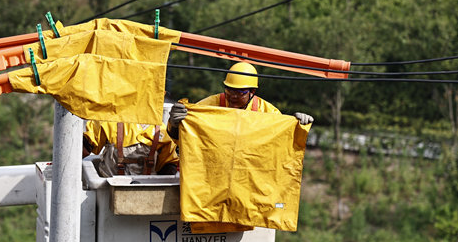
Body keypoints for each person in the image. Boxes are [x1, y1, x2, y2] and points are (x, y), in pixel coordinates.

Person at [167, 61, 313, 138]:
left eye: (240, 92)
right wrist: (174, 125)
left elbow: (284, 139)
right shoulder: (209, 105)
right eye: (229, 90)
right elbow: (181, 137)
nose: (233, 96)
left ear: (252, 92)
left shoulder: (267, 112)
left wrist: (297, 126)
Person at [83, 120, 179, 177]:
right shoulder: (107, 120)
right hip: (109, 191)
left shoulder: (160, 130)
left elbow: (169, 166)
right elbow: (83, 147)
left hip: (148, 193)